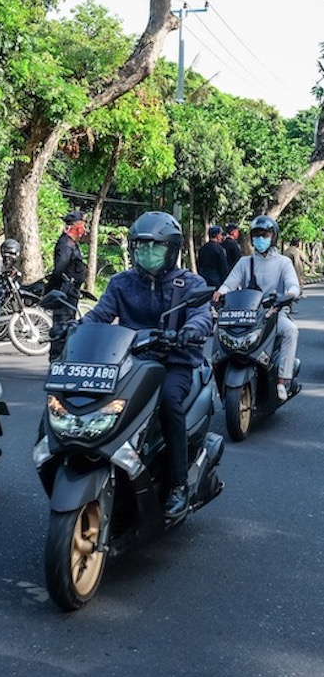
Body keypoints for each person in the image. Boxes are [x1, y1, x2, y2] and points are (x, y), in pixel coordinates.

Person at [79, 211, 213, 519]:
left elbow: (202, 315)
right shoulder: (121, 282)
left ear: (172, 249)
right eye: (140, 247)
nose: (147, 253)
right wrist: (76, 327)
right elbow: (100, 315)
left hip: (174, 362)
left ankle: (179, 484)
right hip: (127, 361)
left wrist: (191, 330)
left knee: (168, 401)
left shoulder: (189, 284)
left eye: (155, 247)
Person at [213, 215, 300, 402]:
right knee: (216, 329)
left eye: (265, 234)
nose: (260, 238)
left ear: (273, 236)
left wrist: (290, 294)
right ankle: (217, 375)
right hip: (246, 313)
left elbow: (293, 285)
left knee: (291, 331)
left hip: (274, 312)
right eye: (256, 234)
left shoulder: (283, 262)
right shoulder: (246, 262)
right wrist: (220, 292)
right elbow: (230, 283)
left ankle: (282, 380)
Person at [46, 210, 88, 361]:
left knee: (69, 325)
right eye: (82, 224)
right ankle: (56, 360)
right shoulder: (65, 244)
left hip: (71, 293)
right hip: (65, 293)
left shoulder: (72, 244)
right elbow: (59, 270)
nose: (84, 228)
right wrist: (51, 289)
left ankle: (65, 358)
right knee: (61, 326)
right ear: (76, 226)